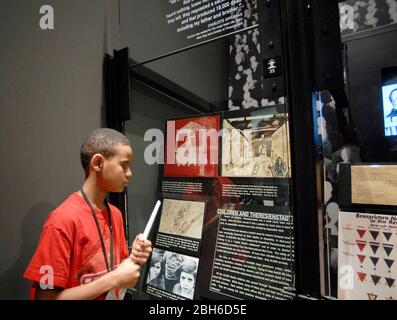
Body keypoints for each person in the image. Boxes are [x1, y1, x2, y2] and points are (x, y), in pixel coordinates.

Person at [23, 128, 152, 300]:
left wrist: (134, 257)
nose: (129, 173)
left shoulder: (115, 215)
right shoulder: (62, 221)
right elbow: (45, 298)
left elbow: (116, 270)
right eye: (124, 165)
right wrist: (113, 279)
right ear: (98, 163)